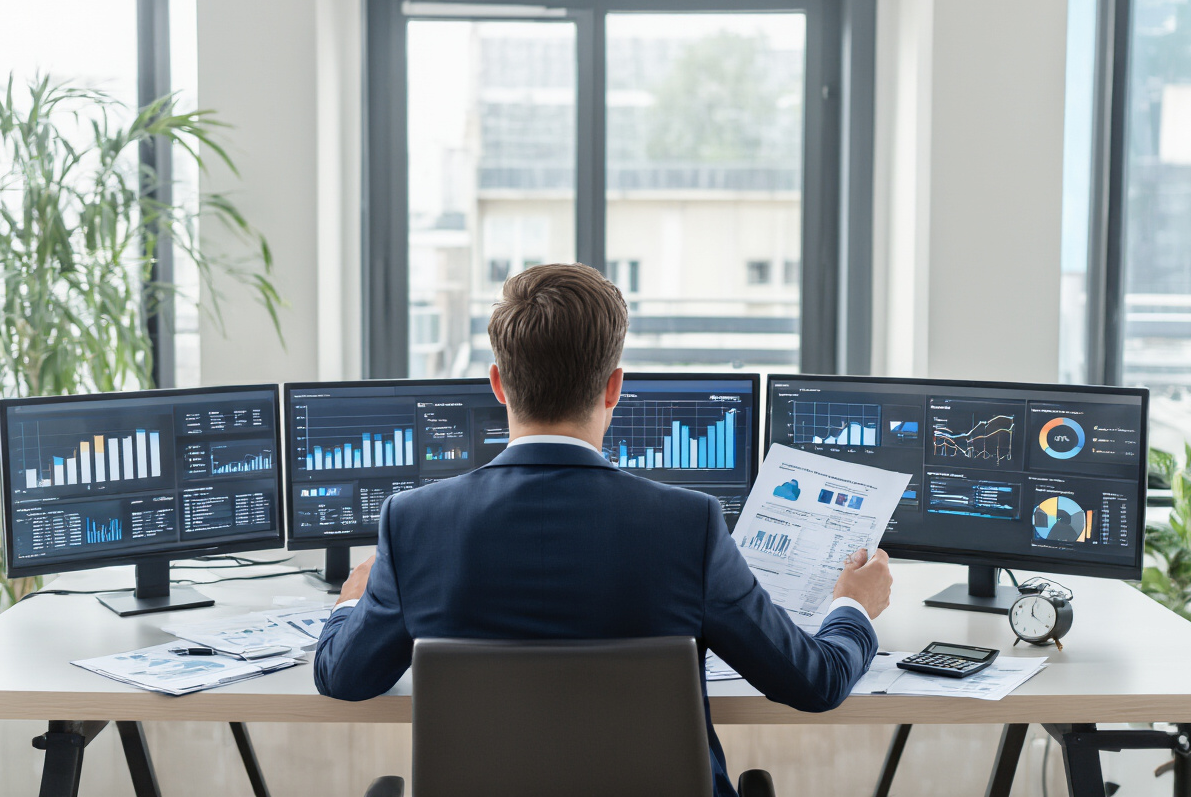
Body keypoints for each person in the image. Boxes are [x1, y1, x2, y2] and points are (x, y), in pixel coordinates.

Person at [314, 263, 892, 797]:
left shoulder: (414, 522)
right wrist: (854, 608)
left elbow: (344, 677)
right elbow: (813, 682)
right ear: (614, 387)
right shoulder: (688, 525)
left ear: (496, 383)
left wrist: (349, 604)